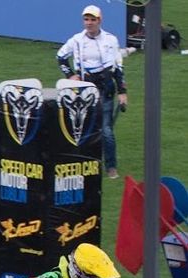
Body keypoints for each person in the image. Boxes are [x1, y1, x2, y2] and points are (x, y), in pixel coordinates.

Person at [57, 5, 128, 179]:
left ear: (99, 20)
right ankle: (82, 164)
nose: (89, 23)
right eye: (86, 19)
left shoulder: (111, 40)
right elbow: (61, 56)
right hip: (84, 90)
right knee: (81, 127)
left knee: (106, 131)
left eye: (92, 20)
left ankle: (111, 167)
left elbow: (118, 67)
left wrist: (122, 91)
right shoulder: (77, 40)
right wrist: (70, 75)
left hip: (105, 89)